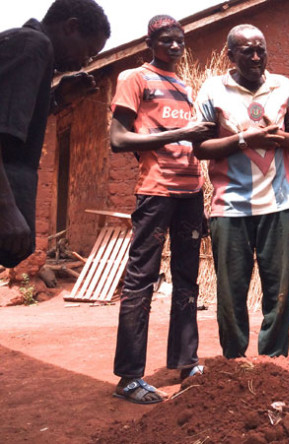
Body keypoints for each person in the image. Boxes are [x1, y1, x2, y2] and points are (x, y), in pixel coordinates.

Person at [110, 15, 216, 405]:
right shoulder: (133, 77)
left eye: (179, 41)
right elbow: (118, 139)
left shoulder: (186, 87)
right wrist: (182, 134)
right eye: (166, 41)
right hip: (156, 193)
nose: (175, 47)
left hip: (191, 193)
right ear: (150, 43)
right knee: (141, 280)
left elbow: (194, 146)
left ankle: (186, 363)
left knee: (187, 279)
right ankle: (129, 377)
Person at [193, 24, 289, 359]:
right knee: (230, 291)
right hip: (230, 207)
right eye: (247, 51)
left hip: (278, 204)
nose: (256, 57)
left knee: (279, 290)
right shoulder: (213, 90)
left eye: (261, 50)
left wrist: (282, 138)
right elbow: (200, 148)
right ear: (231, 55)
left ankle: (273, 361)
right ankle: (234, 362)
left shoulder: (284, 87)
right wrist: (245, 140)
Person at [0, 0, 110, 268]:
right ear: (71, 27)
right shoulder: (33, 45)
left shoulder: (28, 49)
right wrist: (6, 208)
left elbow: (14, 118)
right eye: (88, 51)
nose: (85, 62)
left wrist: (58, 98)